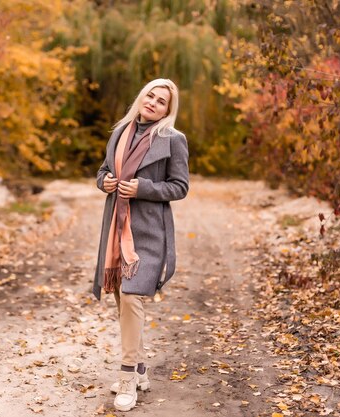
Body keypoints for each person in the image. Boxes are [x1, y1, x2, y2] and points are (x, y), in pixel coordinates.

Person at [92, 78, 189, 412]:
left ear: (167, 111)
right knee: (123, 302)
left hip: (148, 233)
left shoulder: (173, 140)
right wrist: (103, 181)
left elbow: (180, 187)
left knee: (132, 297)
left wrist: (144, 188)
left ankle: (127, 377)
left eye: (161, 101)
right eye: (150, 95)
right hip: (117, 228)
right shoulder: (120, 132)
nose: (153, 102)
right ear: (141, 97)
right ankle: (141, 368)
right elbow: (104, 170)